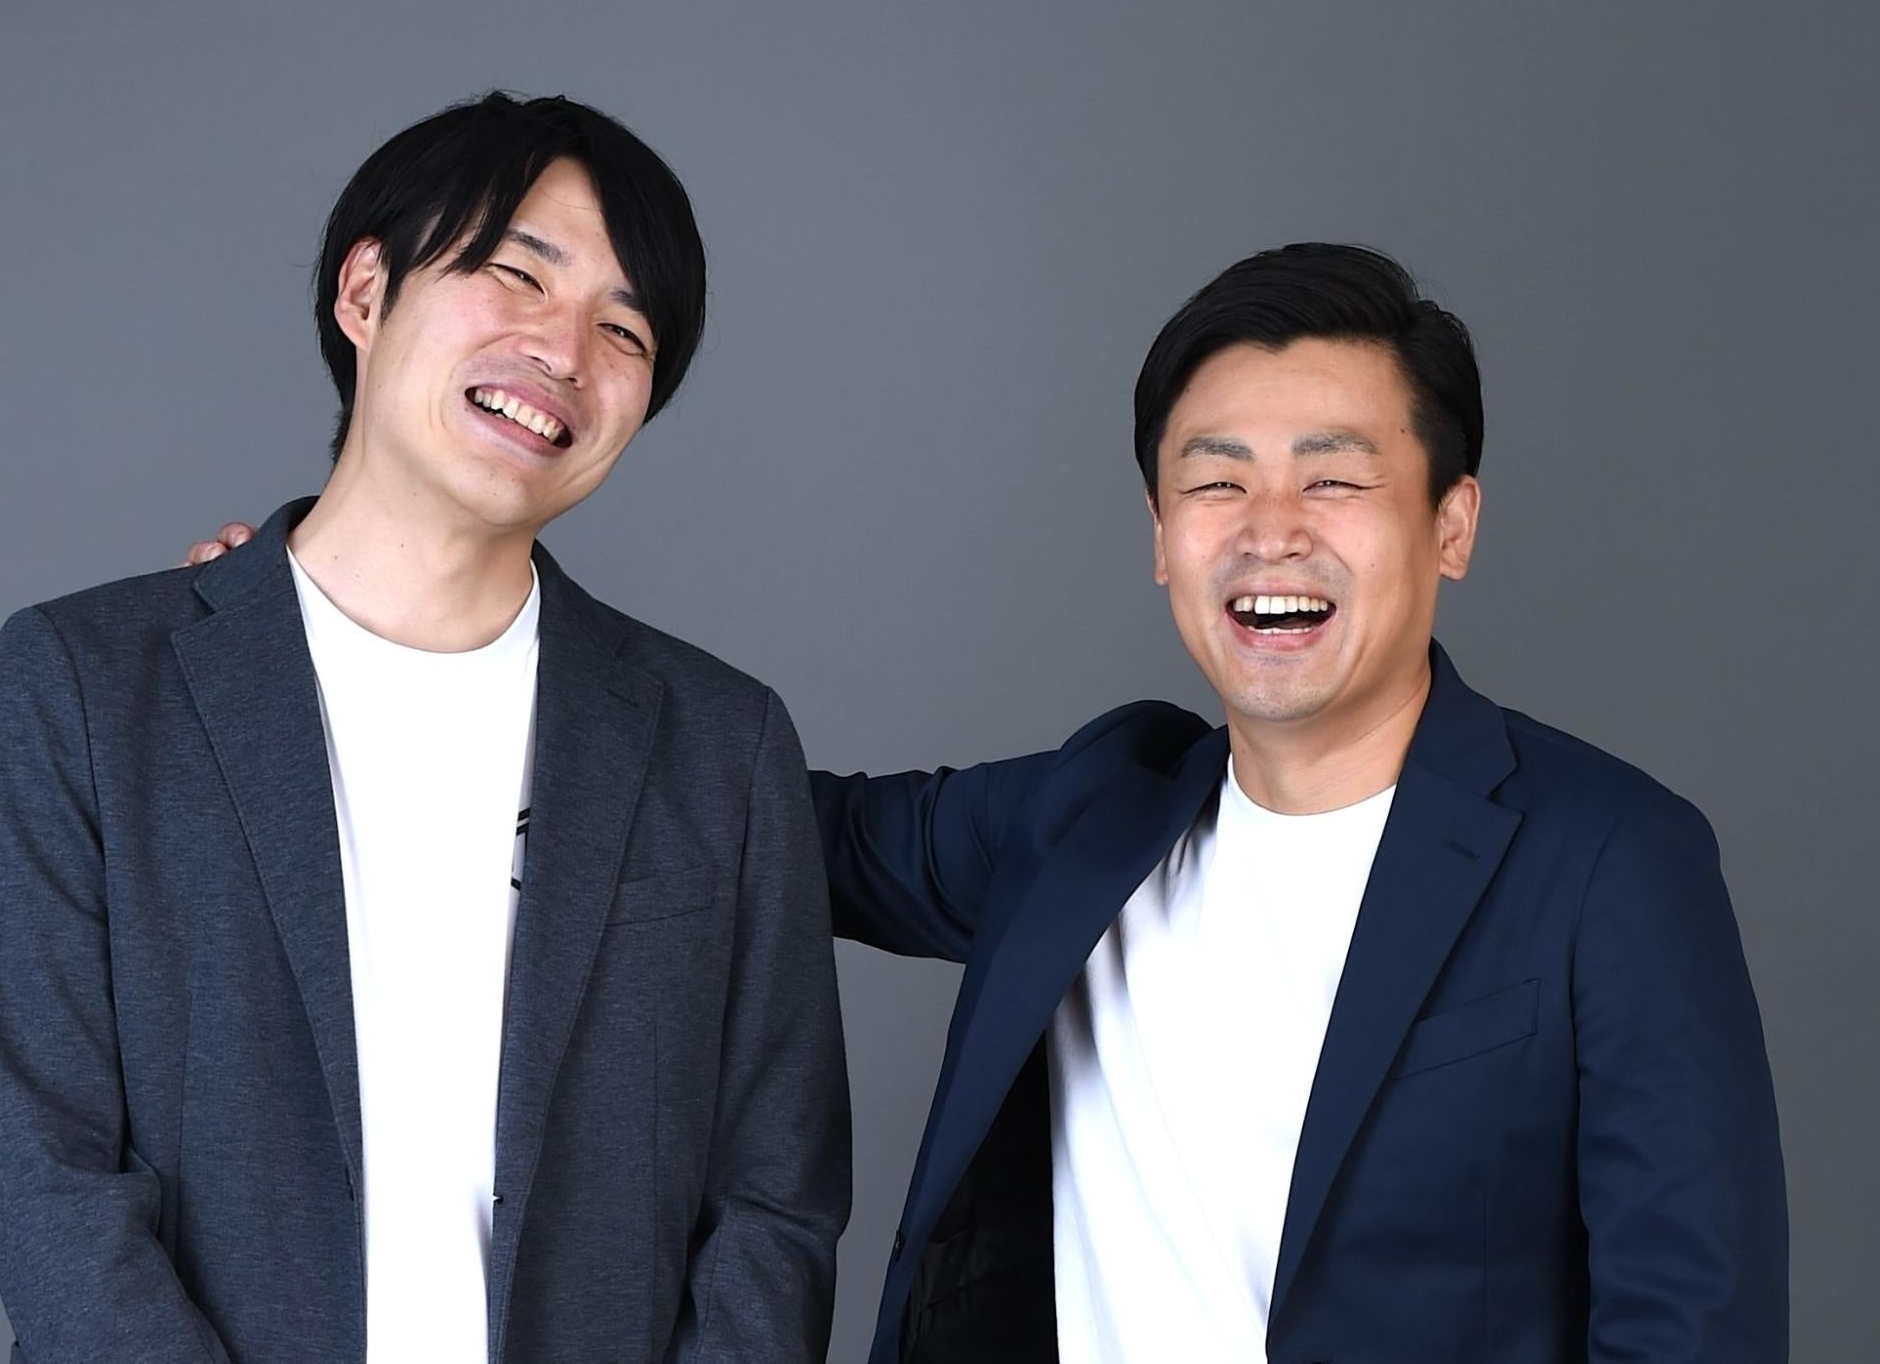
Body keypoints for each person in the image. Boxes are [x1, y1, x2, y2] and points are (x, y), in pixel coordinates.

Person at [190, 243, 1788, 1362]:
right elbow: (725, 807)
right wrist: (354, 627)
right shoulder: (1096, 810)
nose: (1267, 528)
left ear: (1448, 524)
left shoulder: (1608, 858)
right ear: (1156, 534)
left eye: (1333, 476)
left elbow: (1692, 1323)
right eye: (1213, 478)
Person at [0, 92, 849, 1364]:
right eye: (517, 275)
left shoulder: (719, 745)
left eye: (624, 328)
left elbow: (775, 1203)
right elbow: (47, 1174)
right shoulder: (84, 690)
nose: (564, 351)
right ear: (365, 291)